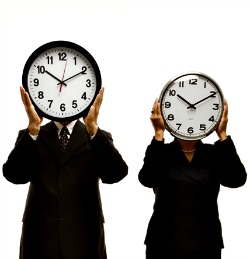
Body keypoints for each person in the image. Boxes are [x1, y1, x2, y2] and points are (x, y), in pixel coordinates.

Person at [2, 86, 128, 259]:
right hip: (40, 242)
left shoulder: (97, 136)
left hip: (84, 241)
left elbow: (116, 174)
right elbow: (14, 175)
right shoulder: (32, 135)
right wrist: (32, 129)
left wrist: (93, 128)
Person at [138, 98, 247, 259]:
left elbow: (237, 179)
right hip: (163, 244)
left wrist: (222, 134)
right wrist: (158, 134)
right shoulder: (161, 152)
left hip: (206, 244)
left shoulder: (214, 153)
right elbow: (147, 179)